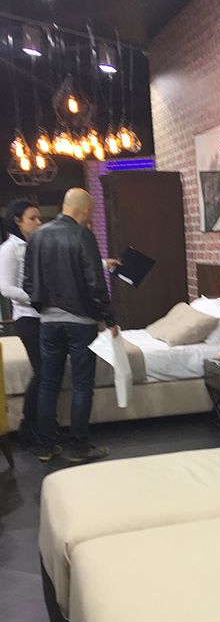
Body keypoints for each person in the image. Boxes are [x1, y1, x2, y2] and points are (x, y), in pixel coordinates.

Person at [23, 188, 118, 464]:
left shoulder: (38, 235)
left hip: (48, 322)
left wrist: (43, 308)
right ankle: (79, 447)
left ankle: (45, 446)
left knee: (48, 384)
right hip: (80, 322)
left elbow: (28, 282)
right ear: (86, 209)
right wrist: (109, 319)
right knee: (81, 385)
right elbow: (95, 283)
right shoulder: (83, 235)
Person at [0, 199, 43, 443]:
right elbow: (5, 288)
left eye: (38, 217)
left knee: (49, 372)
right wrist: (36, 300)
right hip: (28, 318)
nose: (38, 222)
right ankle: (28, 424)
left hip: (44, 317)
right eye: (32, 218)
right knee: (43, 371)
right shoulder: (9, 249)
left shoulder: (35, 244)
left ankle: (42, 423)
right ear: (17, 221)